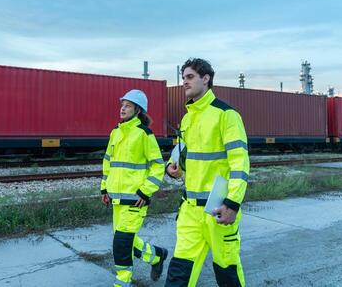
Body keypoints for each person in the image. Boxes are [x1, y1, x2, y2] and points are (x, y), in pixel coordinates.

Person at [165, 58, 250, 287]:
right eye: (183, 78)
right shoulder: (187, 118)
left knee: (227, 274)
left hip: (218, 210)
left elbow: (240, 165)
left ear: (206, 79)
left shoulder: (226, 115)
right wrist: (175, 170)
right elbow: (188, 161)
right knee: (178, 276)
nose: (185, 82)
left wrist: (232, 204)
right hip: (190, 211)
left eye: (190, 77)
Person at [101, 89, 169, 287]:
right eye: (122, 104)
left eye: (128, 105)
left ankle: (122, 282)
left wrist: (145, 191)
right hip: (116, 198)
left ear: (138, 110)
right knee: (126, 240)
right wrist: (104, 188)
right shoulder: (115, 132)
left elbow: (157, 165)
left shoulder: (144, 134)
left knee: (121, 243)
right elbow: (108, 162)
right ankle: (157, 256)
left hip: (136, 199)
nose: (123, 108)